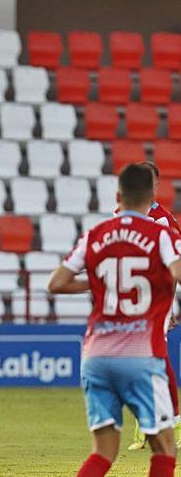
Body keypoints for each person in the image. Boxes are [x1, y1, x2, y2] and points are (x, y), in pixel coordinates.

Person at [47, 163, 180, 477]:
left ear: (118, 195)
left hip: (96, 354)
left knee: (104, 451)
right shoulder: (161, 231)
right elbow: (177, 273)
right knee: (165, 449)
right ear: (151, 196)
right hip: (141, 353)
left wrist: (97, 283)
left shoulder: (96, 234)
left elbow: (56, 283)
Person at [122, 161, 181, 450]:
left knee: (154, 356)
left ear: (156, 186)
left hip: (157, 296)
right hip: (131, 297)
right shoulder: (121, 214)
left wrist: (174, 307)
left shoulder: (163, 221)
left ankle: (173, 422)